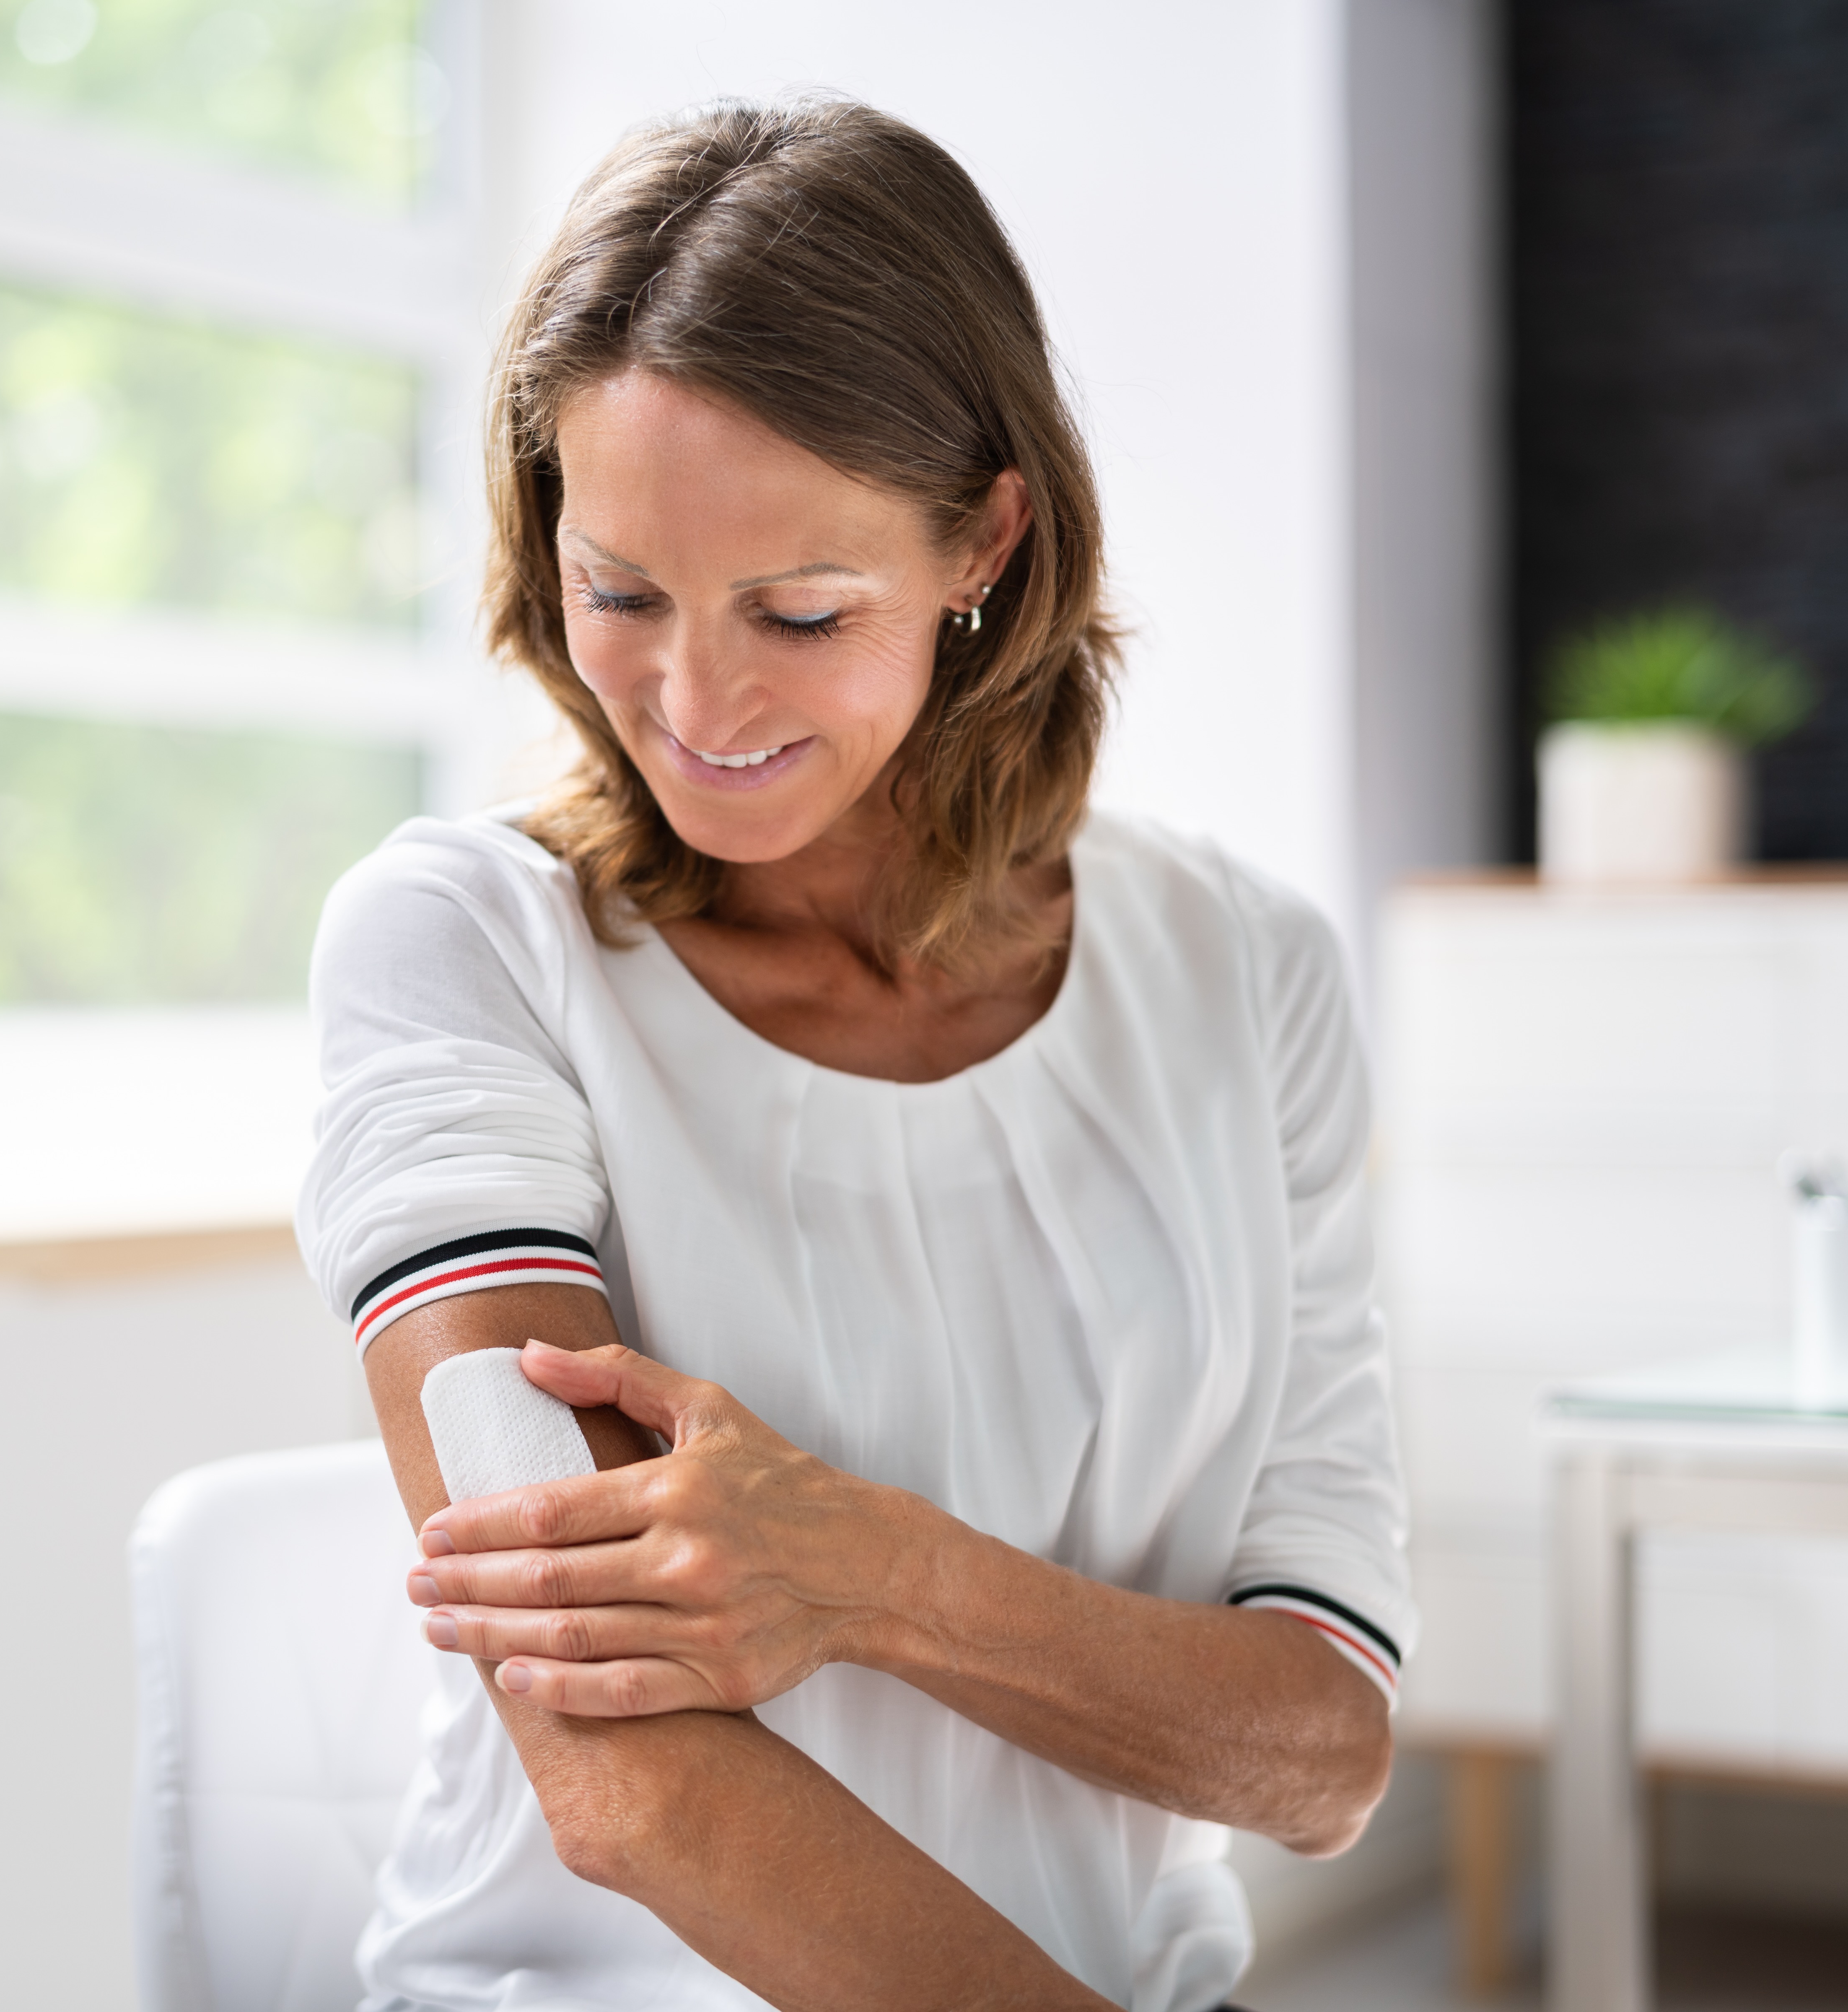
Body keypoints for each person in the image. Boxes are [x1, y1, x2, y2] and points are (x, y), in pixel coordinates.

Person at [297, 95, 1410, 2012]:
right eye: (620, 592)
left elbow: (1320, 1752)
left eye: (799, 611)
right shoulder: (468, 946)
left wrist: (874, 1574)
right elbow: (623, 1773)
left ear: (987, 536)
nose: (694, 702)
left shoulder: (1252, 977)